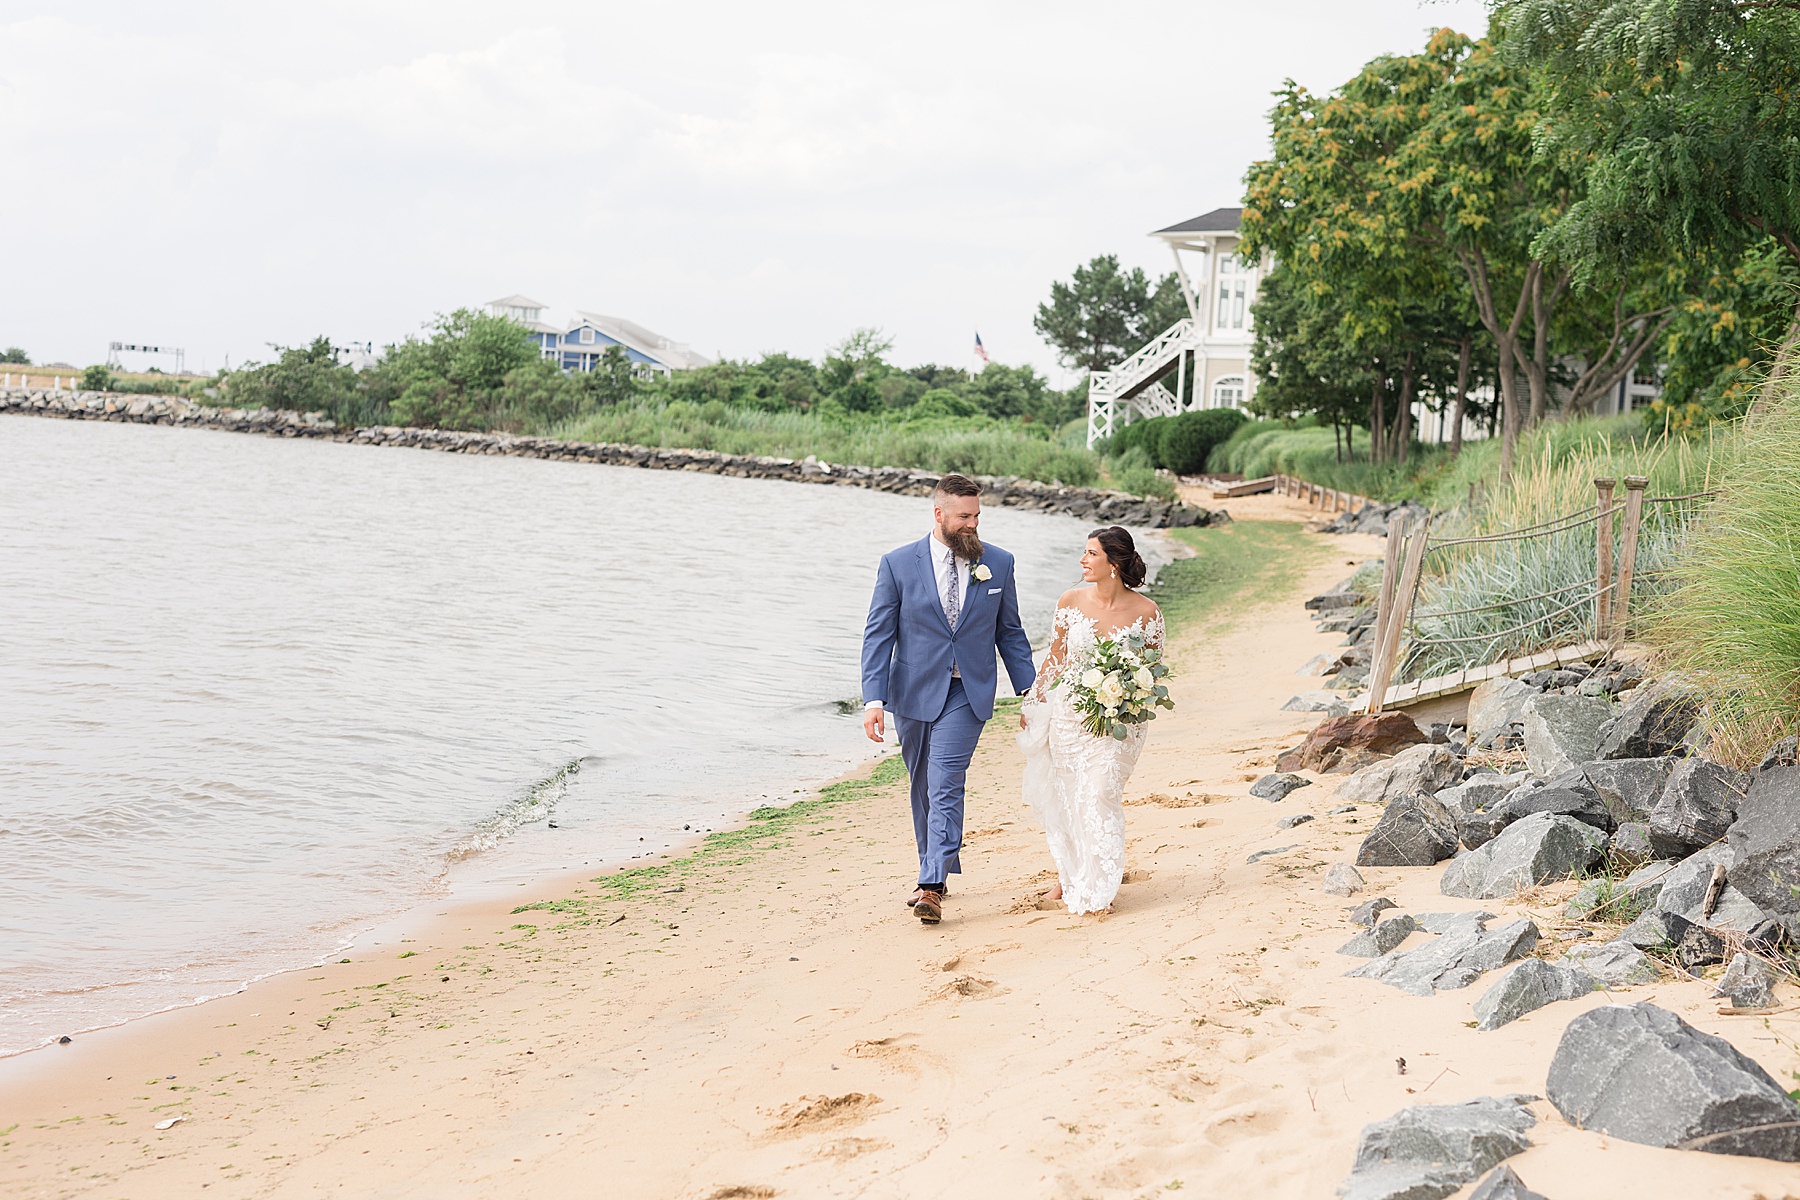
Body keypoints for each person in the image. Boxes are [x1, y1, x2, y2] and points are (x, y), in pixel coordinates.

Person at [861, 474, 1037, 925]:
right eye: (964, 516)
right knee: (921, 783)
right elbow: (879, 635)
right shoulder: (898, 564)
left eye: (977, 515)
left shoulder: (998, 562)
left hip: (969, 691)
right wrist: (873, 699)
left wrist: (1030, 692)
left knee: (945, 781)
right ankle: (931, 864)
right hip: (913, 692)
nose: (972, 524)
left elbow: (1010, 632)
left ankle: (932, 883)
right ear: (938, 514)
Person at [1018, 526, 1164, 916]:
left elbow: (1152, 669)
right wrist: (1034, 700)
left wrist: (1129, 695)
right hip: (1070, 716)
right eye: (1084, 553)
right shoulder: (1069, 601)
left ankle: (1101, 882)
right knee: (1070, 797)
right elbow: (1055, 657)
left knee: (1099, 793)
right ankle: (1071, 873)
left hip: (1121, 720)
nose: (1083, 560)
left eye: (1091, 554)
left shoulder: (1147, 612)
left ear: (1113, 563)